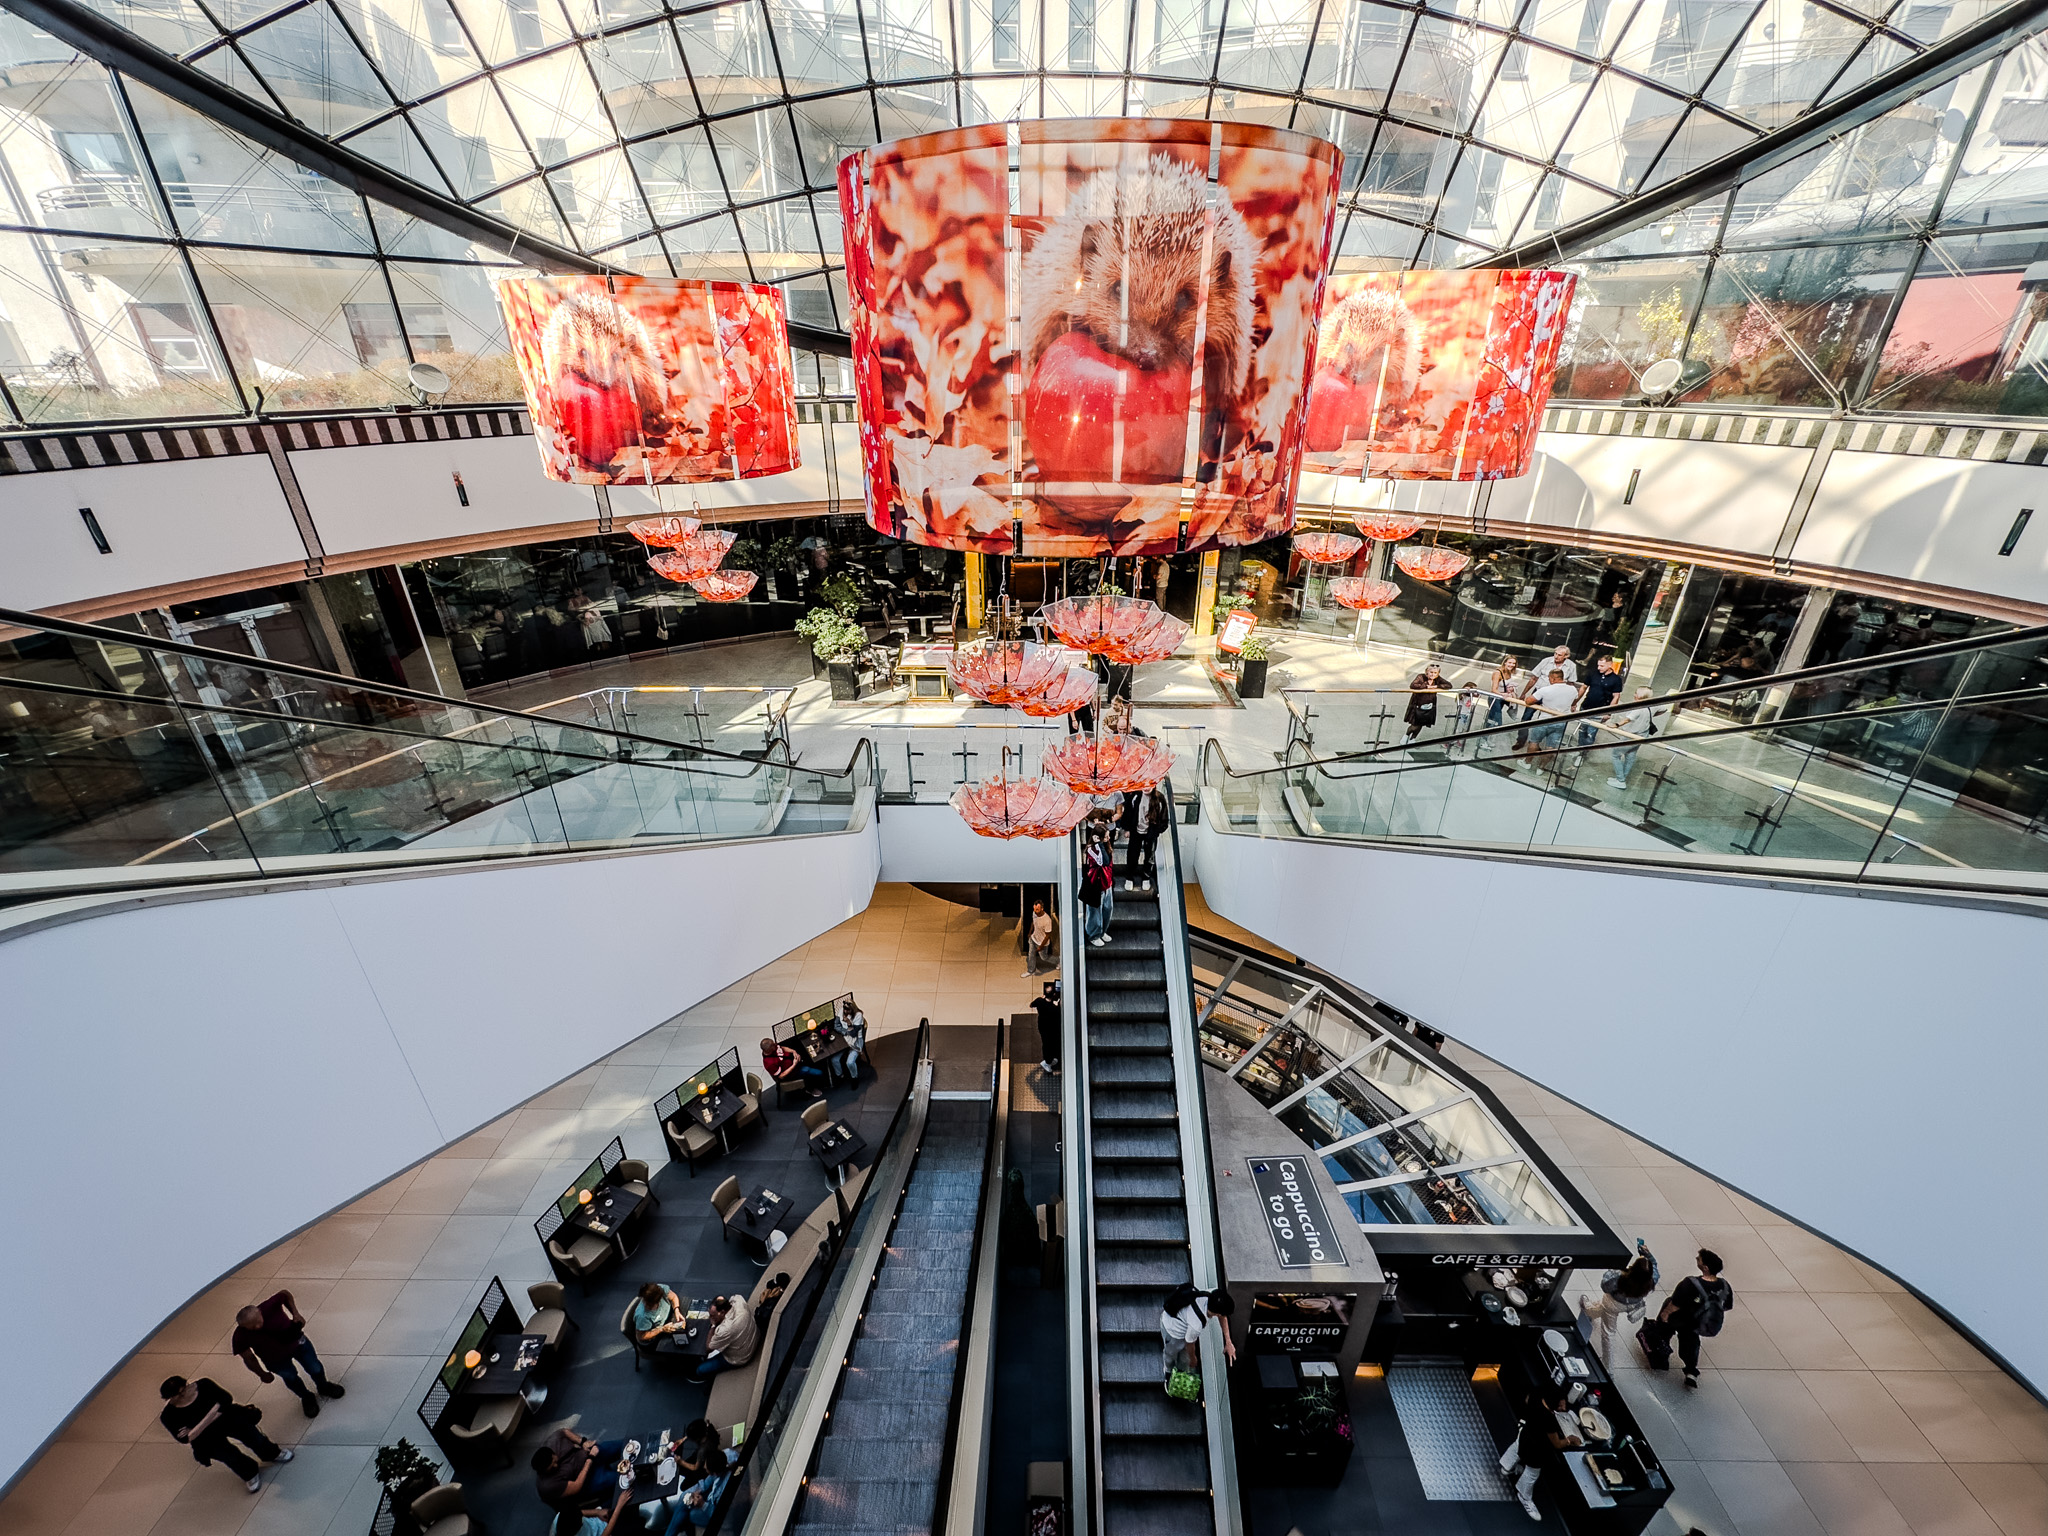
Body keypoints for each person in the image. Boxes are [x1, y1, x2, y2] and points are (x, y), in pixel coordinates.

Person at [159, 1375, 292, 1493]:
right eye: (178, 1395)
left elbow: (226, 1400)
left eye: (184, 1389)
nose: (183, 1395)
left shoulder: (204, 1385)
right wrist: (214, 1410)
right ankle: (249, 1473)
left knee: (254, 1437)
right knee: (229, 1456)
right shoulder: (168, 1416)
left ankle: (272, 1454)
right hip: (207, 1438)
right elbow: (186, 1438)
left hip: (228, 1418)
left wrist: (196, 1427)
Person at [231, 1288, 345, 1418]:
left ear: (260, 1312)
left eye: (258, 1322)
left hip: (298, 1344)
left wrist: (295, 1313)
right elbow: (248, 1357)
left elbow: (284, 1294)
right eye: (251, 1327)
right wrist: (262, 1374)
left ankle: (324, 1386)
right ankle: (306, 1397)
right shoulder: (240, 1336)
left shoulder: (270, 1306)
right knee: (291, 1378)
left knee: (315, 1367)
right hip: (275, 1360)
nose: (257, 1327)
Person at [1642, 1248, 1734, 1388]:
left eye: (1699, 1259)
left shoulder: (1690, 1283)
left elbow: (1675, 1304)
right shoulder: (1725, 1285)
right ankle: (1691, 1371)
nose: (1696, 1259)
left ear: (1705, 1268)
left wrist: (1665, 1315)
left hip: (1681, 1318)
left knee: (1663, 1332)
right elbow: (1726, 1306)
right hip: (1698, 1324)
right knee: (1690, 1344)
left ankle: (1660, 1359)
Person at [1498, 1384, 1580, 1521]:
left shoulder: (1536, 1396)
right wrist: (1569, 1440)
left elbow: (1527, 1400)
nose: (1563, 1408)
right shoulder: (1549, 1419)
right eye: (1560, 1405)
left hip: (1526, 1434)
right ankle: (1524, 1496)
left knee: (1517, 1447)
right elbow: (1557, 1444)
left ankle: (1506, 1467)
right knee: (1532, 1473)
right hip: (1536, 1449)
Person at [1580, 1242, 1659, 1366]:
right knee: (1601, 1309)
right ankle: (1589, 1311)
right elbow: (1654, 1265)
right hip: (1633, 1304)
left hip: (1613, 1303)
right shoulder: (1652, 1279)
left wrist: (1613, 1270)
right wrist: (1648, 1255)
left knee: (1608, 1332)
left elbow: (1605, 1287)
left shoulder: (1620, 1277)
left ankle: (1608, 1367)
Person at [1158, 1284, 1236, 1391]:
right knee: (1170, 1355)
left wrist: (1228, 1341)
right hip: (1173, 1331)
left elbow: (1223, 1317)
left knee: (1184, 1359)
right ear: (1217, 1314)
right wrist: (1193, 1358)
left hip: (1180, 1321)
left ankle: (1178, 1372)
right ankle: (1168, 1372)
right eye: (1221, 1314)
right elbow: (1189, 1343)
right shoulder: (1196, 1324)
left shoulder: (1212, 1294)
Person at [534, 1428, 625, 1513]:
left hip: (587, 1455)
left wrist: (582, 1442)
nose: (556, 1465)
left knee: (623, 1445)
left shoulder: (552, 1442)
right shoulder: (548, 1486)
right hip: (586, 1480)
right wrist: (590, 1459)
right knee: (620, 1479)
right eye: (552, 1468)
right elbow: (577, 1486)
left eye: (555, 1462)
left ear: (553, 1453)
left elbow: (564, 1431)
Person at [1605, 687, 1660, 788]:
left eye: (1636, 693)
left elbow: (1627, 719)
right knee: (1630, 756)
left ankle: (1620, 780)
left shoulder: (1638, 708)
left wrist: (1616, 725)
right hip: (1641, 736)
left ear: (1640, 695)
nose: (1634, 695)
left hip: (1630, 736)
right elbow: (1663, 709)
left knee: (1615, 755)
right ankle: (1621, 778)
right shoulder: (1651, 705)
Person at [694, 1293, 757, 1380]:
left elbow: (709, 1348)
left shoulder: (725, 1329)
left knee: (700, 1370)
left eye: (713, 1316)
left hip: (740, 1357)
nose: (710, 1317)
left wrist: (713, 1325)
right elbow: (731, 1299)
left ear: (722, 1312)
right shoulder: (738, 1299)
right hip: (752, 1337)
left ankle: (709, 1379)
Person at [1118, 785, 1168, 891]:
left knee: (1150, 856)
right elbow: (1128, 813)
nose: (1146, 787)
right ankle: (1129, 877)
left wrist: (1157, 831)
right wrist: (1127, 829)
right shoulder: (1135, 796)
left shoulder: (1159, 798)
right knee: (1132, 855)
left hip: (1151, 833)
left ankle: (1146, 877)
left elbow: (1164, 818)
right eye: (1144, 784)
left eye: (1149, 784)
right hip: (1136, 831)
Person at [1522, 668, 1579, 758]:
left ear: (1553, 679)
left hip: (1544, 720)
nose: (1549, 680)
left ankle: (1527, 762)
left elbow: (1528, 701)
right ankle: (1541, 766)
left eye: (1549, 678)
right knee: (1551, 747)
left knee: (1534, 742)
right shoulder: (1573, 690)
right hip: (1561, 722)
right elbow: (1574, 701)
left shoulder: (1545, 689)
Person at [1575, 654, 1626, 747]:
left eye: (1602, 666)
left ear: (1610, 664)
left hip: (1600, 710)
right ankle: (1579, 748)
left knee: (1591, 734)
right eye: (1598, 665)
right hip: (1586, 706)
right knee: (1582, 730)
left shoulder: (1616, 679)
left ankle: (1583, 750)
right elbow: (1584, 687)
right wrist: (1575, 702)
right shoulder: (1593, 674)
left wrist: (1609, 712)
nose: (1599, 668)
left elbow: (1616, 696)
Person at [760, 1035, 824, 1100]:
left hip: (794, 1061)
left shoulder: (774, 1047)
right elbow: (781, 1076)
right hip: (791, 1074)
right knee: (818, 1072)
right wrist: (794, 1064)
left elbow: (782, 1048)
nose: (776, 1045)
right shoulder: (770, 1064)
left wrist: (793, 1052)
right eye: (773, 1045)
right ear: (769, 1050)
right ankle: (810, 1089)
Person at [1080, 828, 1115, 945]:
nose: (1108, 838)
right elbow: (1102, 861)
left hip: (1106, 883)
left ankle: (1102, 931)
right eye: (1105, 836)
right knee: (1094, 912)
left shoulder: (1106, 846)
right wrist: (1099, 844)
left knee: (1107, 909)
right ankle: (1093, 935)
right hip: (1095, 884)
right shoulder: (1091, 849)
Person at [1402, 661, 1448, 744]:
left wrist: (1436, 686)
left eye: (1435, 673)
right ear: (1427, 672)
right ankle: (1406, 735)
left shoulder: (1437, 679)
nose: (1433, 674)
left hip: (1429, 705)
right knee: (1415, 724)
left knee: (1421, 724)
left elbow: (1448, 685)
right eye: (1431, 672)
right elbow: (1413, 685)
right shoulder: (1421, 677)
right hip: (1417, 704)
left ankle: (1413, 738)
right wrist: (1426, 686)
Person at [1485, 655, 1524, 729]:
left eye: (1514, 663)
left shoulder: (1509, 671)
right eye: (1510, 662)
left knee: (1493, 718)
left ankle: (1487, 732)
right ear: (1505, 662)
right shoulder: (1497, 673)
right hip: (1495, 698)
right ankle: (1486, 733)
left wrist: (1511, 689)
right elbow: (1493, 690)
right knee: (1497, 720)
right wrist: (1503, 694)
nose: (1512, 665)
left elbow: (1505, 684)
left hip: (1503, 698)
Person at [1033, 980, 1062, 1076]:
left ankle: (1049, 1060)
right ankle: (1047, 1062)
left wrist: (1042, 999)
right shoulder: (1053, 1008)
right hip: (1050, 1028)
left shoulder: (1039, 1001)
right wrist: (1057, 1005)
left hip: (1042, 1025)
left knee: (1046, 1043)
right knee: (1048, 1045)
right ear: (1053, 994)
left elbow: (1031, 1005)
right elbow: (1057, 1014)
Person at [1023, 900, 1057, 977]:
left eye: (1037, 910)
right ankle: (1030, 970)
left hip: (1042, 942)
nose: (1035, 912)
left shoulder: (1047, 920)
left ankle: (1058, 961)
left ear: (1042, 908)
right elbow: (1033, 922)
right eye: (1034, 909)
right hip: (1034, 938)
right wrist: (1030, 933)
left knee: (1044, 957)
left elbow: (1047, 936)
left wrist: (1041, 946)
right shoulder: (1034, 913)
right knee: (1031, 954)